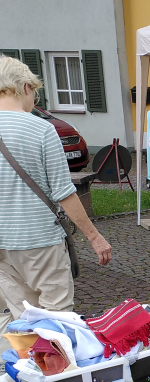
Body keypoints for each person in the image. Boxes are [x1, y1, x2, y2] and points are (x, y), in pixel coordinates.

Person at [0, 56, 111, 355]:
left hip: (2, 245)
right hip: (39, 240)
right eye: (34, 93)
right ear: (25, 87)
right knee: (56, 316)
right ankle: (56, 376)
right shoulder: (41, 129)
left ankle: (25, 371)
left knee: (20, 316)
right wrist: (94, 237)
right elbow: (64, 192)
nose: (34, 100)